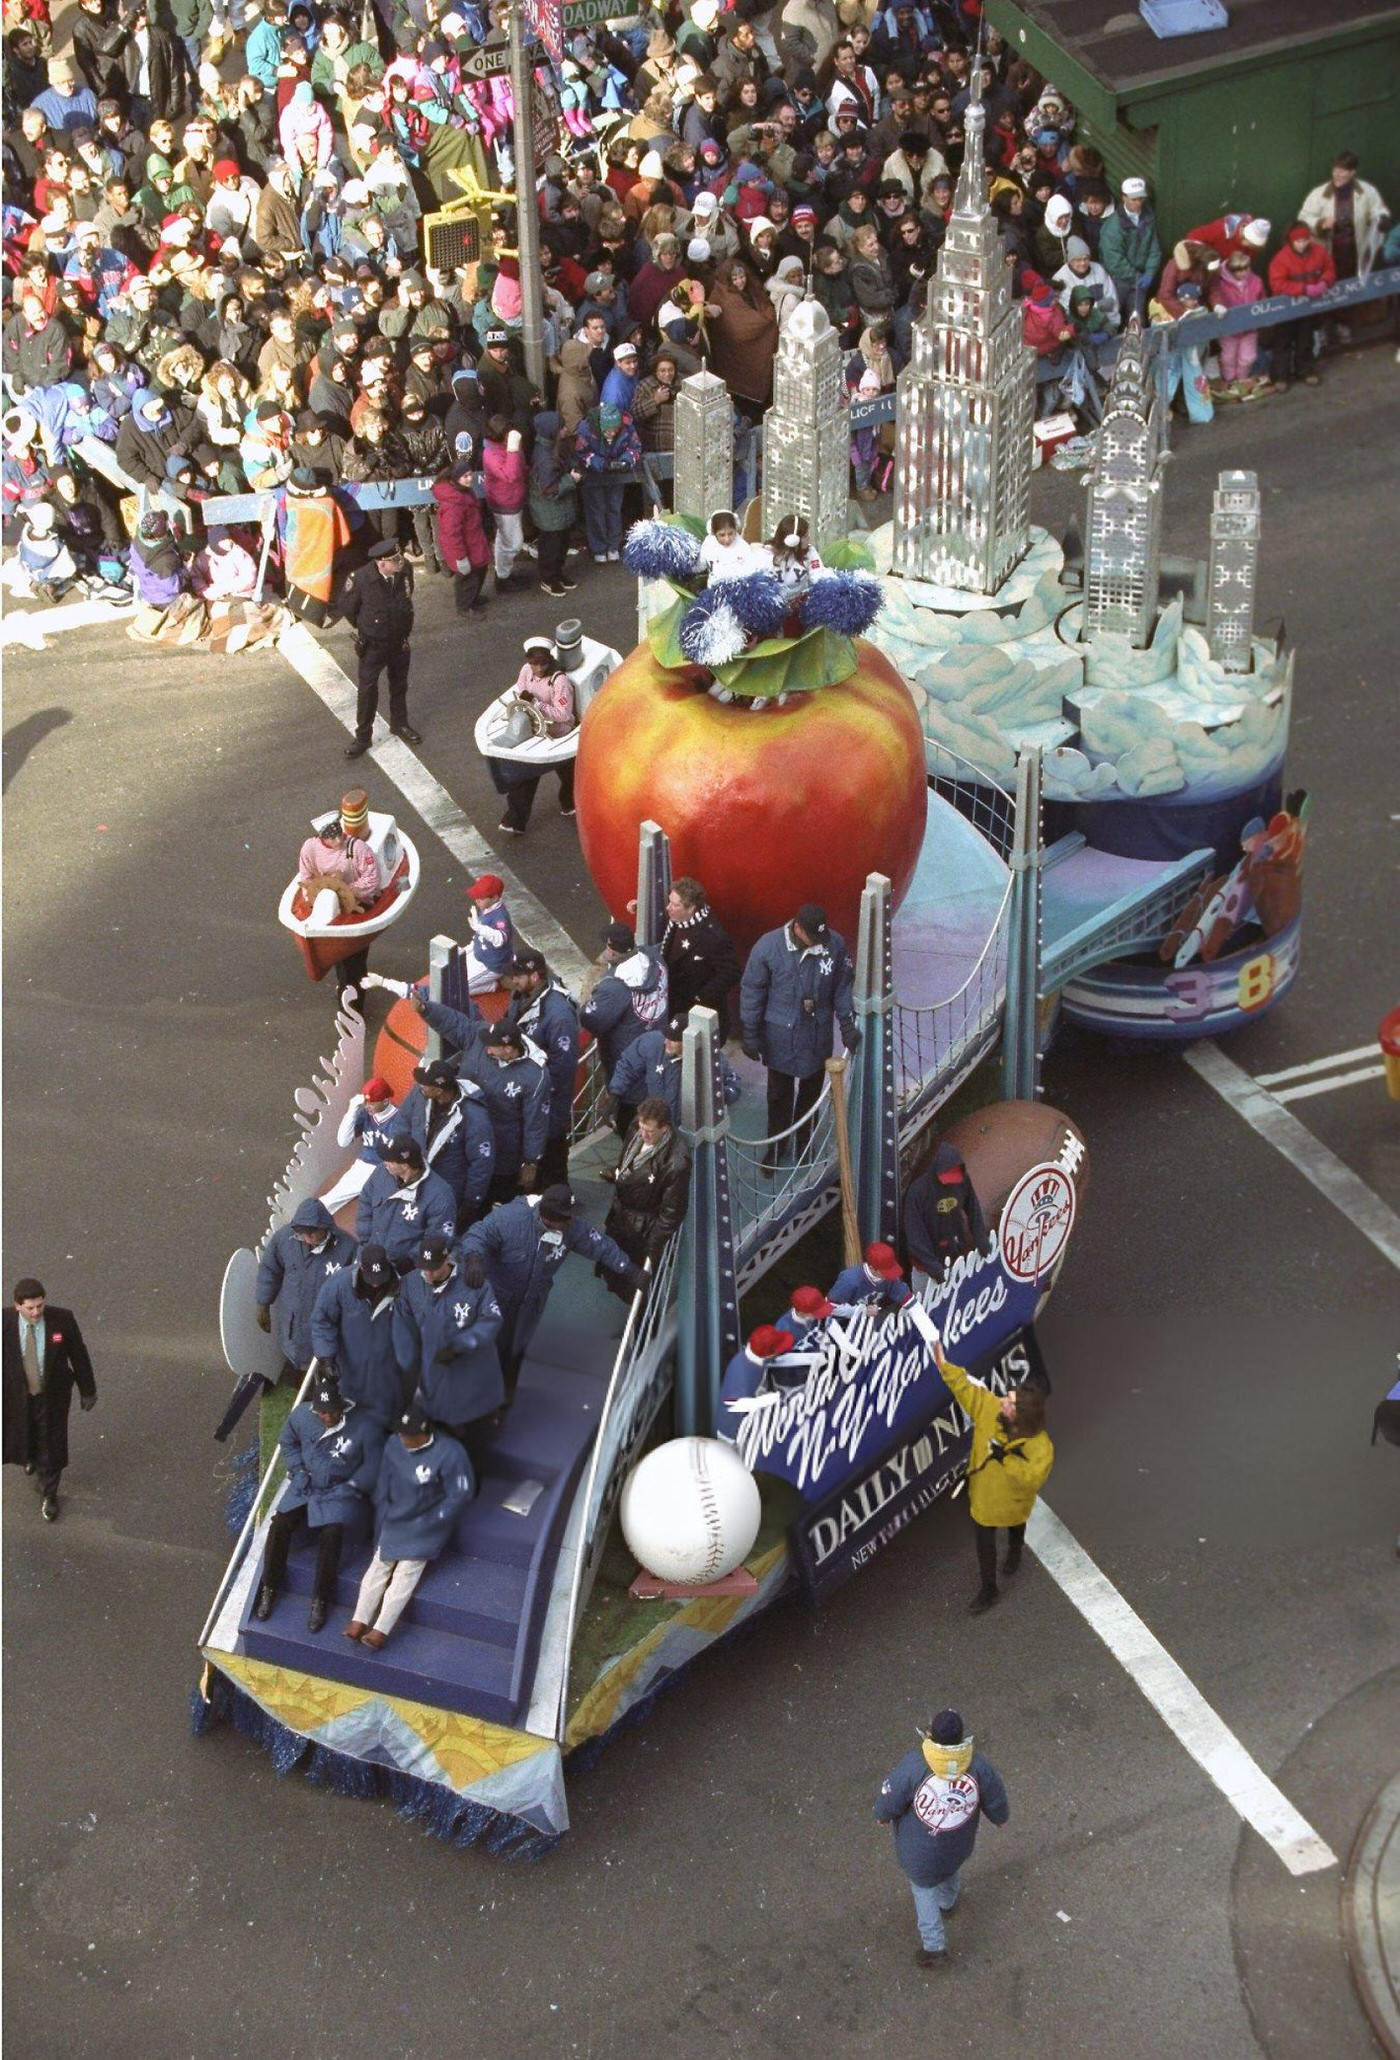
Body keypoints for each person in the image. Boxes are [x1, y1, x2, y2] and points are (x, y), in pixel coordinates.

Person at [461, 1185, 643, 1390]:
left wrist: (630, 1270)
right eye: (566, 1218)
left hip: (532, 1301)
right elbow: (478, 1235)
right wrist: (474, 1257)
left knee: (516, 1348)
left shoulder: (570, 1227)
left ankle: (503, 1390)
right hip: (499, 1297)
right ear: (548, 1217)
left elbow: (600, 1246)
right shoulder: (510, 1218)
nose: (571, 1221)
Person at [874, 1706, 1010, 1968]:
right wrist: (1000, 1818)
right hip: (958, 1844)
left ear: (931, 1736)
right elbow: (995, 1798)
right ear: (961, 1738)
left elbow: (890, 1798)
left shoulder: (915, 1766)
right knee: (949, 1868)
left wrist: (882, 1815)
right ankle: (948, 1903)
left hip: (920, 1852)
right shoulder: (978, 1766)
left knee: (924, 1890)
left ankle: (934, 1946)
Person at [933, 1334, 1054, 1616]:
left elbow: (1031, 1479)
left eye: (1010, 1403)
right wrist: (943, 1365)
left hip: (1012, 1504)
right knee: (984, 1545)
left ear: (1021, 1416)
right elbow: (966, 1389)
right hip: (984, 1501)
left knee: (1015, 1526)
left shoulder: (1040, 1446)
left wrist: (1007, 1460)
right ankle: (989, 1587)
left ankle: (1015, 1550)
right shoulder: (990, 1408)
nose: (1003, 1402)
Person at [255, 1372, 381, 1632]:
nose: (327, 1418)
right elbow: (287, 1442)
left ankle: (320, 1600)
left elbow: (372, 1464)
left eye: (332, 1412)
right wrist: (297, 1469)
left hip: (337, 1490)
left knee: (332, 1533)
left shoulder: (361, 1426)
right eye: (322, 1413)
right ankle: (269, 1587)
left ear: (342, 1406)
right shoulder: (302, 1415)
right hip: (305, 1485)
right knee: (279, 1525)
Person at [346, 1399, 474, 1651]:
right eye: (402, 1432)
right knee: (378, 1566)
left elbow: (459, 1494)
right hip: (398, 1516)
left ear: (424, 1432)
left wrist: (434, 1519)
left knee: (405, 1573)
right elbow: (385, 1478)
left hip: (427, 1521)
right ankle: (359, 1619)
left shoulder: (450, 1452)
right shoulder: (395, 1444)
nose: (404, 1438)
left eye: (409, 1434)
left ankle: (381, 1629)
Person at [740, 903, 858, 1169]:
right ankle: (776, 1146)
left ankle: (805, 1142)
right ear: (797, 928)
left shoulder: (834, 945)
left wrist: (846, 1023)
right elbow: (752, 991)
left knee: (811, 1094)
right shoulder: (768, 947)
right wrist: (750, 1031)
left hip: (816, 1037)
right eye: (812, 937)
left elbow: (841, 986)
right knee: (778, 1096)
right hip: (780, 1038)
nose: (818, 943)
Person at [393, 1234, 505, 1465]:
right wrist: (407, 1362)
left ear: (447, 1260)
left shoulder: (475, 1284)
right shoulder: (411, 1284)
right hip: (430, 1374)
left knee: (473, 1431)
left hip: (471, 1372)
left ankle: (472, 1474)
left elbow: (492, 1320)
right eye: (424, 1268)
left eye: (434, 1268)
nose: (428, 1274)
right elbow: (402, 1323)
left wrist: (461, 1345)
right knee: (434, 1431)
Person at [2, 1277, 97, 1522]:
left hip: (52, 1396)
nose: (36, 1312)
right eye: (30, 1308)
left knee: (51, 1443)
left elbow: (78, 1354)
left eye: (40, 1306)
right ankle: (30, 1457)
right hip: (18, 1396)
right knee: (24, 1431)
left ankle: (49, 1493)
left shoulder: (62, 1320)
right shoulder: (4, 1323)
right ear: (17, 1306)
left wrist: (88, 1390)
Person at [451, 1018, 552, 1207]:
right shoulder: (491, 1051)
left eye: (492, 1047)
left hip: (504, 1150)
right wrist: (426, 1009)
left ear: (508, 1049)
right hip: (471, 1139)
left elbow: (536, 1122)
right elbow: (450, 1021)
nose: (487, 1051)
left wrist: (531, 1161)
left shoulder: (535, 1076)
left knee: (499, 1197)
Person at [502, 949, 581, 1188]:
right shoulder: (521, 995)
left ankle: (560, 1199)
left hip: (549, 1099)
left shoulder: (558, 1014)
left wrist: (538, 1094)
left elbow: (563, 1067)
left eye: (518, 976)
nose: (513, 981)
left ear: (535, 976)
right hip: (527, 1094)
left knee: (551, 1154)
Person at [254, 1198, 357, 1380]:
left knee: (326, 1372)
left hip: (325, 1327)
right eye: (302, 1233)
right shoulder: (284, 1239)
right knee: (295, 1364)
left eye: (311, 1232)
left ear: (324, 1227)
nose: (307, 1238)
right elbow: (270, 1269)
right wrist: (263, 1302)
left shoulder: (348, 1248)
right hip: (292, 1324)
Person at [389, 1058, 494, 1230]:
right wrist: (401, 1158)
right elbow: (402, 1122)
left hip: (449, 1188)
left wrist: (471, 1202)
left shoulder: (475, 1116)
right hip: (413, 1176)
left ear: (438, 1090)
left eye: (425, 1083)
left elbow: (481, 1164)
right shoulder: (419, 1093)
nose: (419, 1084)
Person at [341, 537, 421, 759]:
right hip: (374, 645)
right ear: (381, 563)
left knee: (399, 685)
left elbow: (407, 597)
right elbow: (348, 608)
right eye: (395, 560)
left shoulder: (405, 571)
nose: (401, 562)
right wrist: (366, 627)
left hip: (399, 641)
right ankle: (363, 737)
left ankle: (400, 724)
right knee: (367, 691)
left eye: (400, 557)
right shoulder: (361, 579)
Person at [310, 1242, 405, 1428]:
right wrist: (326, 1357)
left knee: (390, 1406)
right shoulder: (338, 1285)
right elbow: (322, 1320)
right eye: (371, 1277)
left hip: (388, 1366)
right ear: (361, 1266)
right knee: (352, 1412)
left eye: (381, 1276)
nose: (376, 1283)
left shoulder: (401, 1287)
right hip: (349, 1366)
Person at [495, 639, 578, 835]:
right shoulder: (526, 670)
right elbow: (519, 690)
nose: (538, 668)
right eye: (534, 663)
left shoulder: (559, 681)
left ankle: (569, 804)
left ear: (549, 661)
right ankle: (515, 820)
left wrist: (537, 704)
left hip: (558, 733)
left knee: (569, 776)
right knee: (528, 773)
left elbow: (564, 714)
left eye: (542, 663)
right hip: (534, 727)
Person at [601, 1096, 692, 1270]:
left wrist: (654, 1246)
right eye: (642, 1128)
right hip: (621, 1215)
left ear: (664, 1128)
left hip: (642, 1229)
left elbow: (672, 1212)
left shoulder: (676, 1163)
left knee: (631, 1277)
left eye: (649, 1132)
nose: (643, 1135)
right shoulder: (637, 1127)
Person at [610, 1011, 741, 1128]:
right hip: (659, 1126)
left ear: (687, 1042)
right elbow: (628, 1064)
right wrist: (615, 1094)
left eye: (674, 1040)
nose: (666, 1042)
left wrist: (718, 1096)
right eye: (667, 1035)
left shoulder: (712, 1059)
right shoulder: (652, 1043)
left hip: (689, 1129)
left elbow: (734, 1085)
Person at [580, 921, 670, 1076]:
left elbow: (590, 1020)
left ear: (612, 950)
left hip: (627, 1062)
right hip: (658, 1049)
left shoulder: (613, 988)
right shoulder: (654, 958)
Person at [355, 1137, 456, 1275]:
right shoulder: (381, 1172)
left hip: (406, 1271)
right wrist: (366, 1241)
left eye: (390, 1160)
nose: (385, 1163)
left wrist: (406, 1262)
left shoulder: (440, 1195)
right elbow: (365, 1200)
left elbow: (438, 1238)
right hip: (370, 1257)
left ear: (404, 1165)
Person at [659, 877, 741, 1038]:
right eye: (670, 902)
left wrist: (700, 996)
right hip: (674, 1006)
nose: (668, 908)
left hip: (697, 1013)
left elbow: (731, 973)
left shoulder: (712, 936)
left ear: (691, 909)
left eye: (675, 905)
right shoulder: (676, 922)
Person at [902, 1142, 989, 1283]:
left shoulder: (963, 1181)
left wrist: (980, 1238)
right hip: (927, 1270)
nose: (950, 1182)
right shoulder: (917, 1192)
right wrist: (932, 1266)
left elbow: (973, 1209)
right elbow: (915, 1235)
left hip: (956, 1257)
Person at [1268, 223, 1337, 389]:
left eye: (1305, 240)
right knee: (1283, 341)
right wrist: (1303, 289)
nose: (1302, 244)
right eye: (1298, 241)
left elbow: (1330, 268)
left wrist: (1324, 282)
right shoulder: (1281, 258)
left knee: (1305, 340)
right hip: (1287, 308)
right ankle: (1280, 377)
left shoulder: (1319, 252)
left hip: (1308, 306)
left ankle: (1306, 371)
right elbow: (1277, 284)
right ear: (1291, 241)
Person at [1098, 175, 1161, 319]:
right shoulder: (1113, 226)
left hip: (1140, 278)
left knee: (1137, 318)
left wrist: (1150, 272)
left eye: (1141, 199)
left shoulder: (1148, 218)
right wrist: (1137, 275)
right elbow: (1113, 260)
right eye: (1134, 199)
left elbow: (1154, 248)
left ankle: (1137, 341)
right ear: (1124, 197)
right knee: (1111, 316)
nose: (1138, 203)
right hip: (1118, 280)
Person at [828, 1242, 911, 1316]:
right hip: (844, 1325)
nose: (889, 1275)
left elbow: (907, 1298)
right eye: (885, 1271)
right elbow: (830, 1307)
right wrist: (861, 1311)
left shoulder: (890, 1278)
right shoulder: (850, 1279)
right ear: (871, 1268)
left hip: (874, 1323)